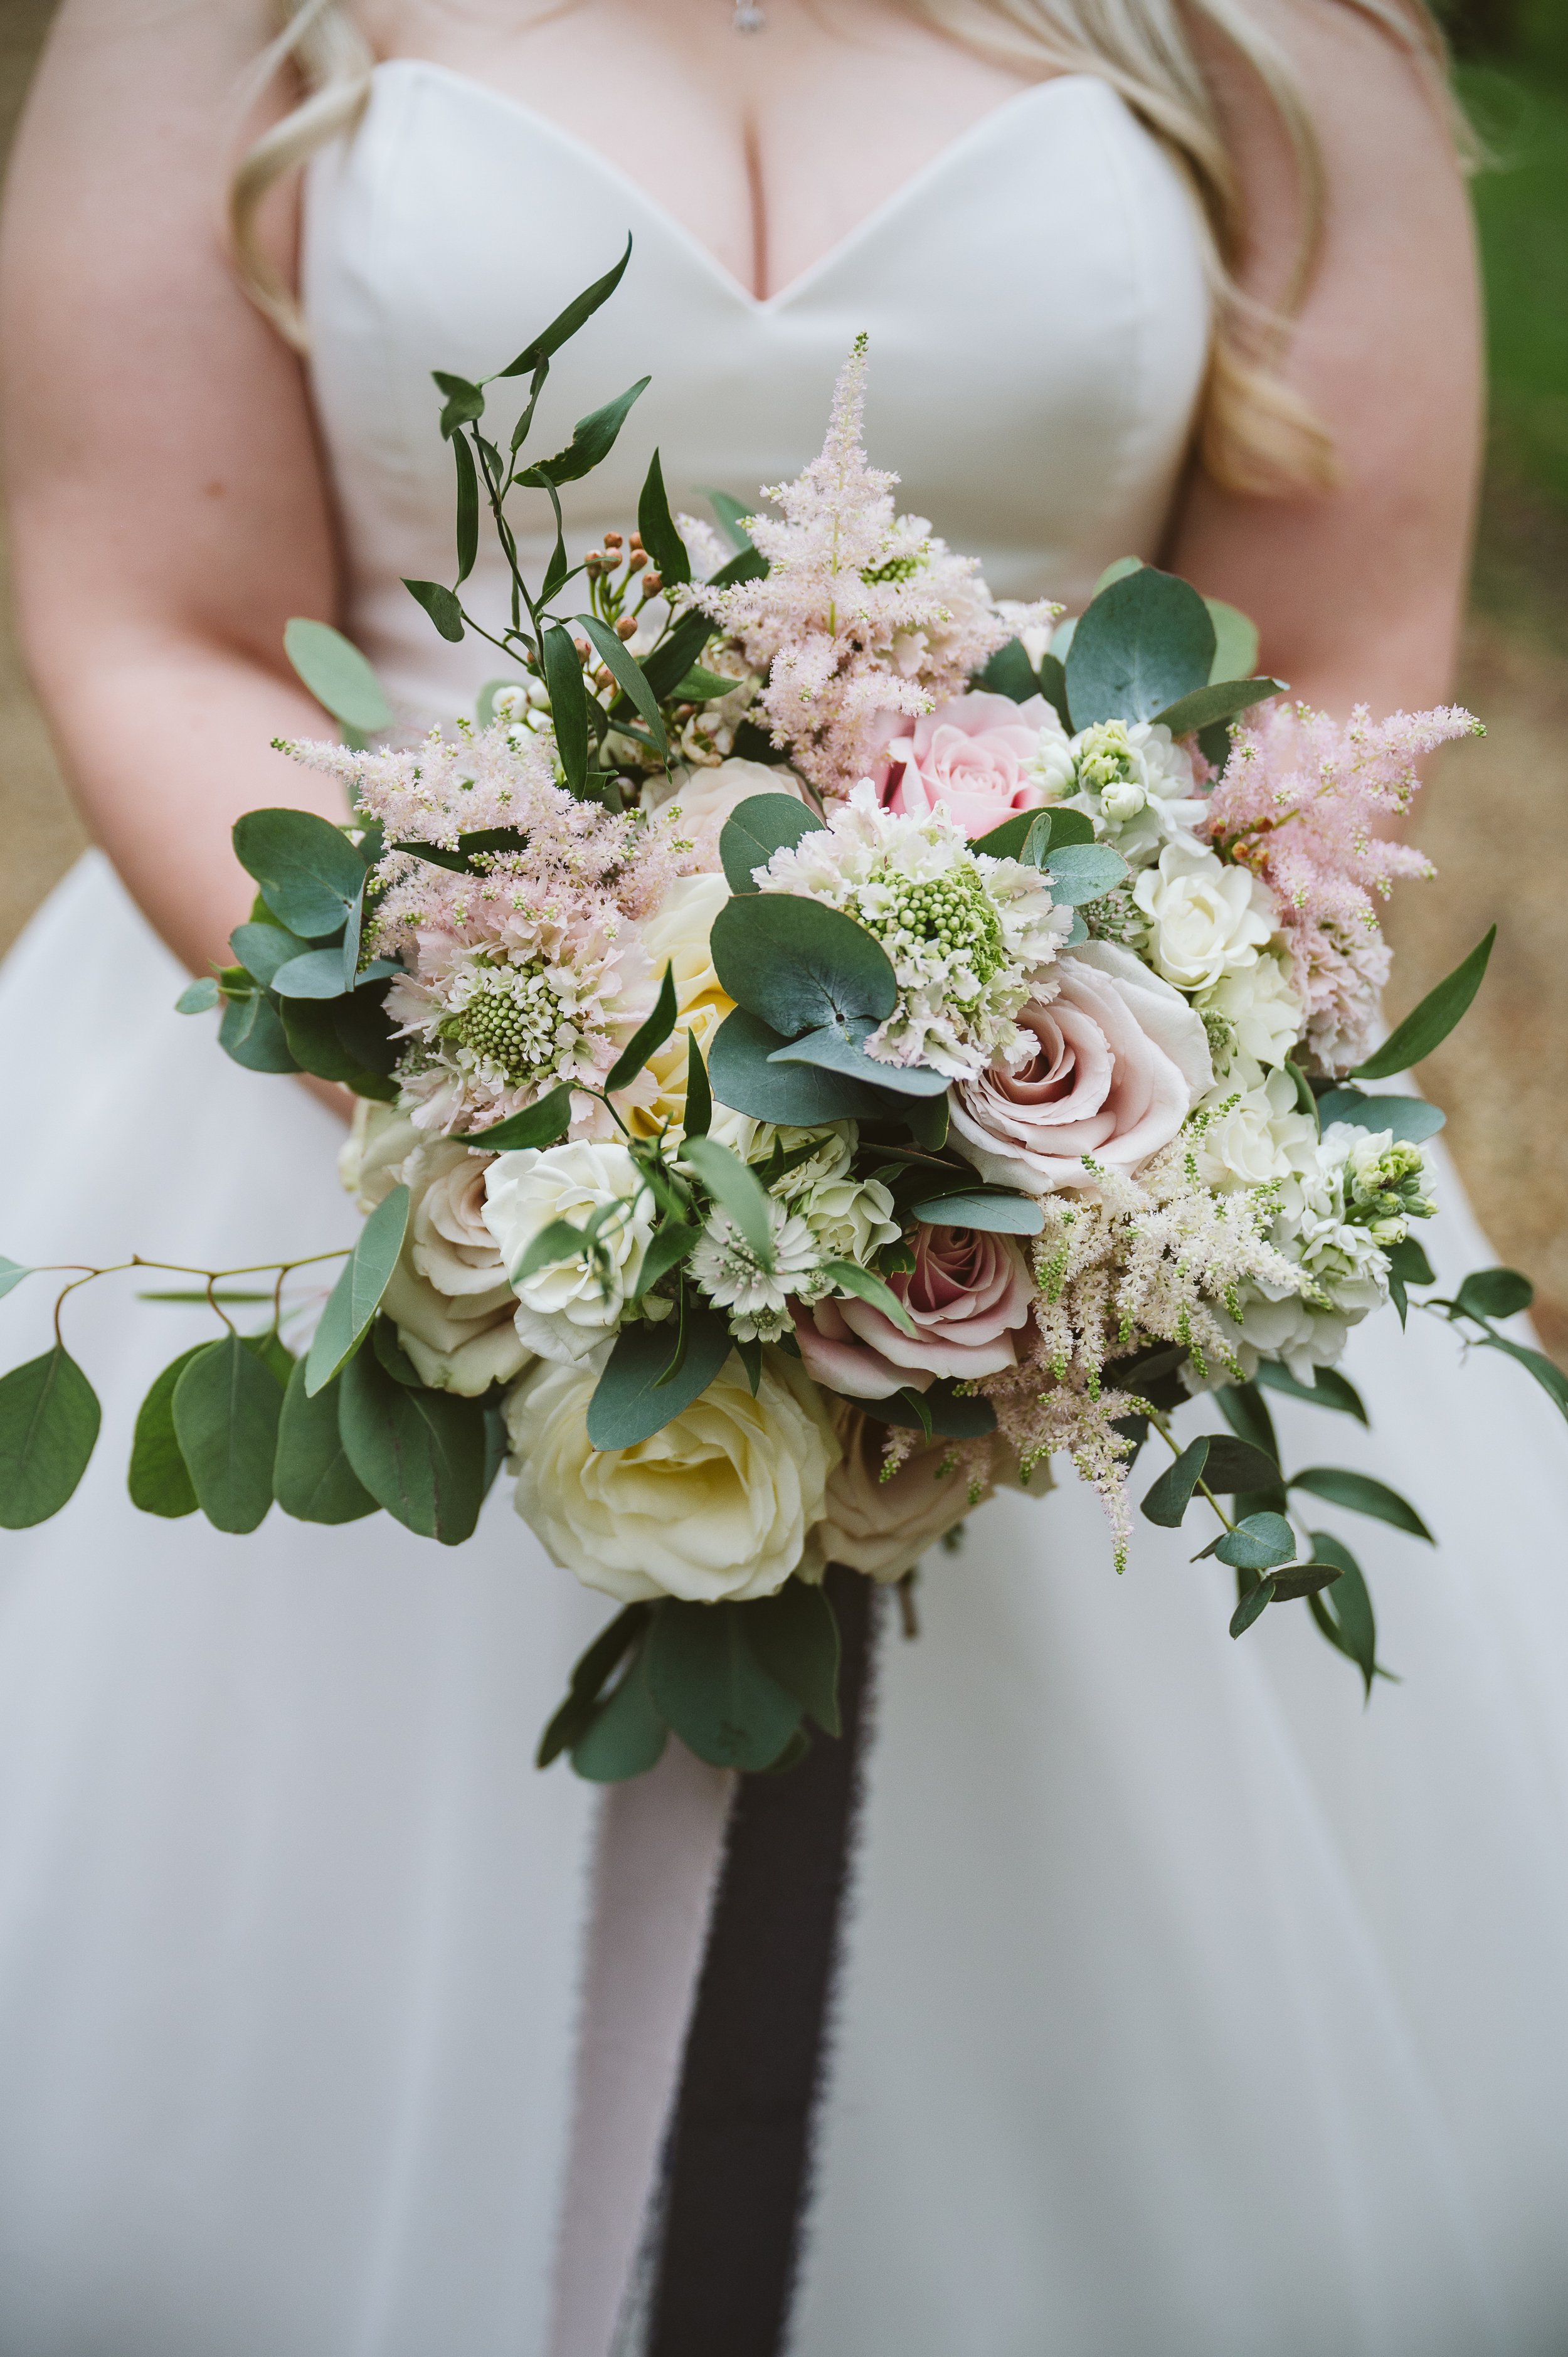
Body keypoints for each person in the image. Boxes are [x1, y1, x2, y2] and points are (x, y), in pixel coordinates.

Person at [1, 1, 1565, 2351]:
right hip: (360, 1071)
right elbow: (159, 616)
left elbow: (1325, 676)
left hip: (1062, 1119)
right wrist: (559, 1112)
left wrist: (996, 1142)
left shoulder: (1275, 34)